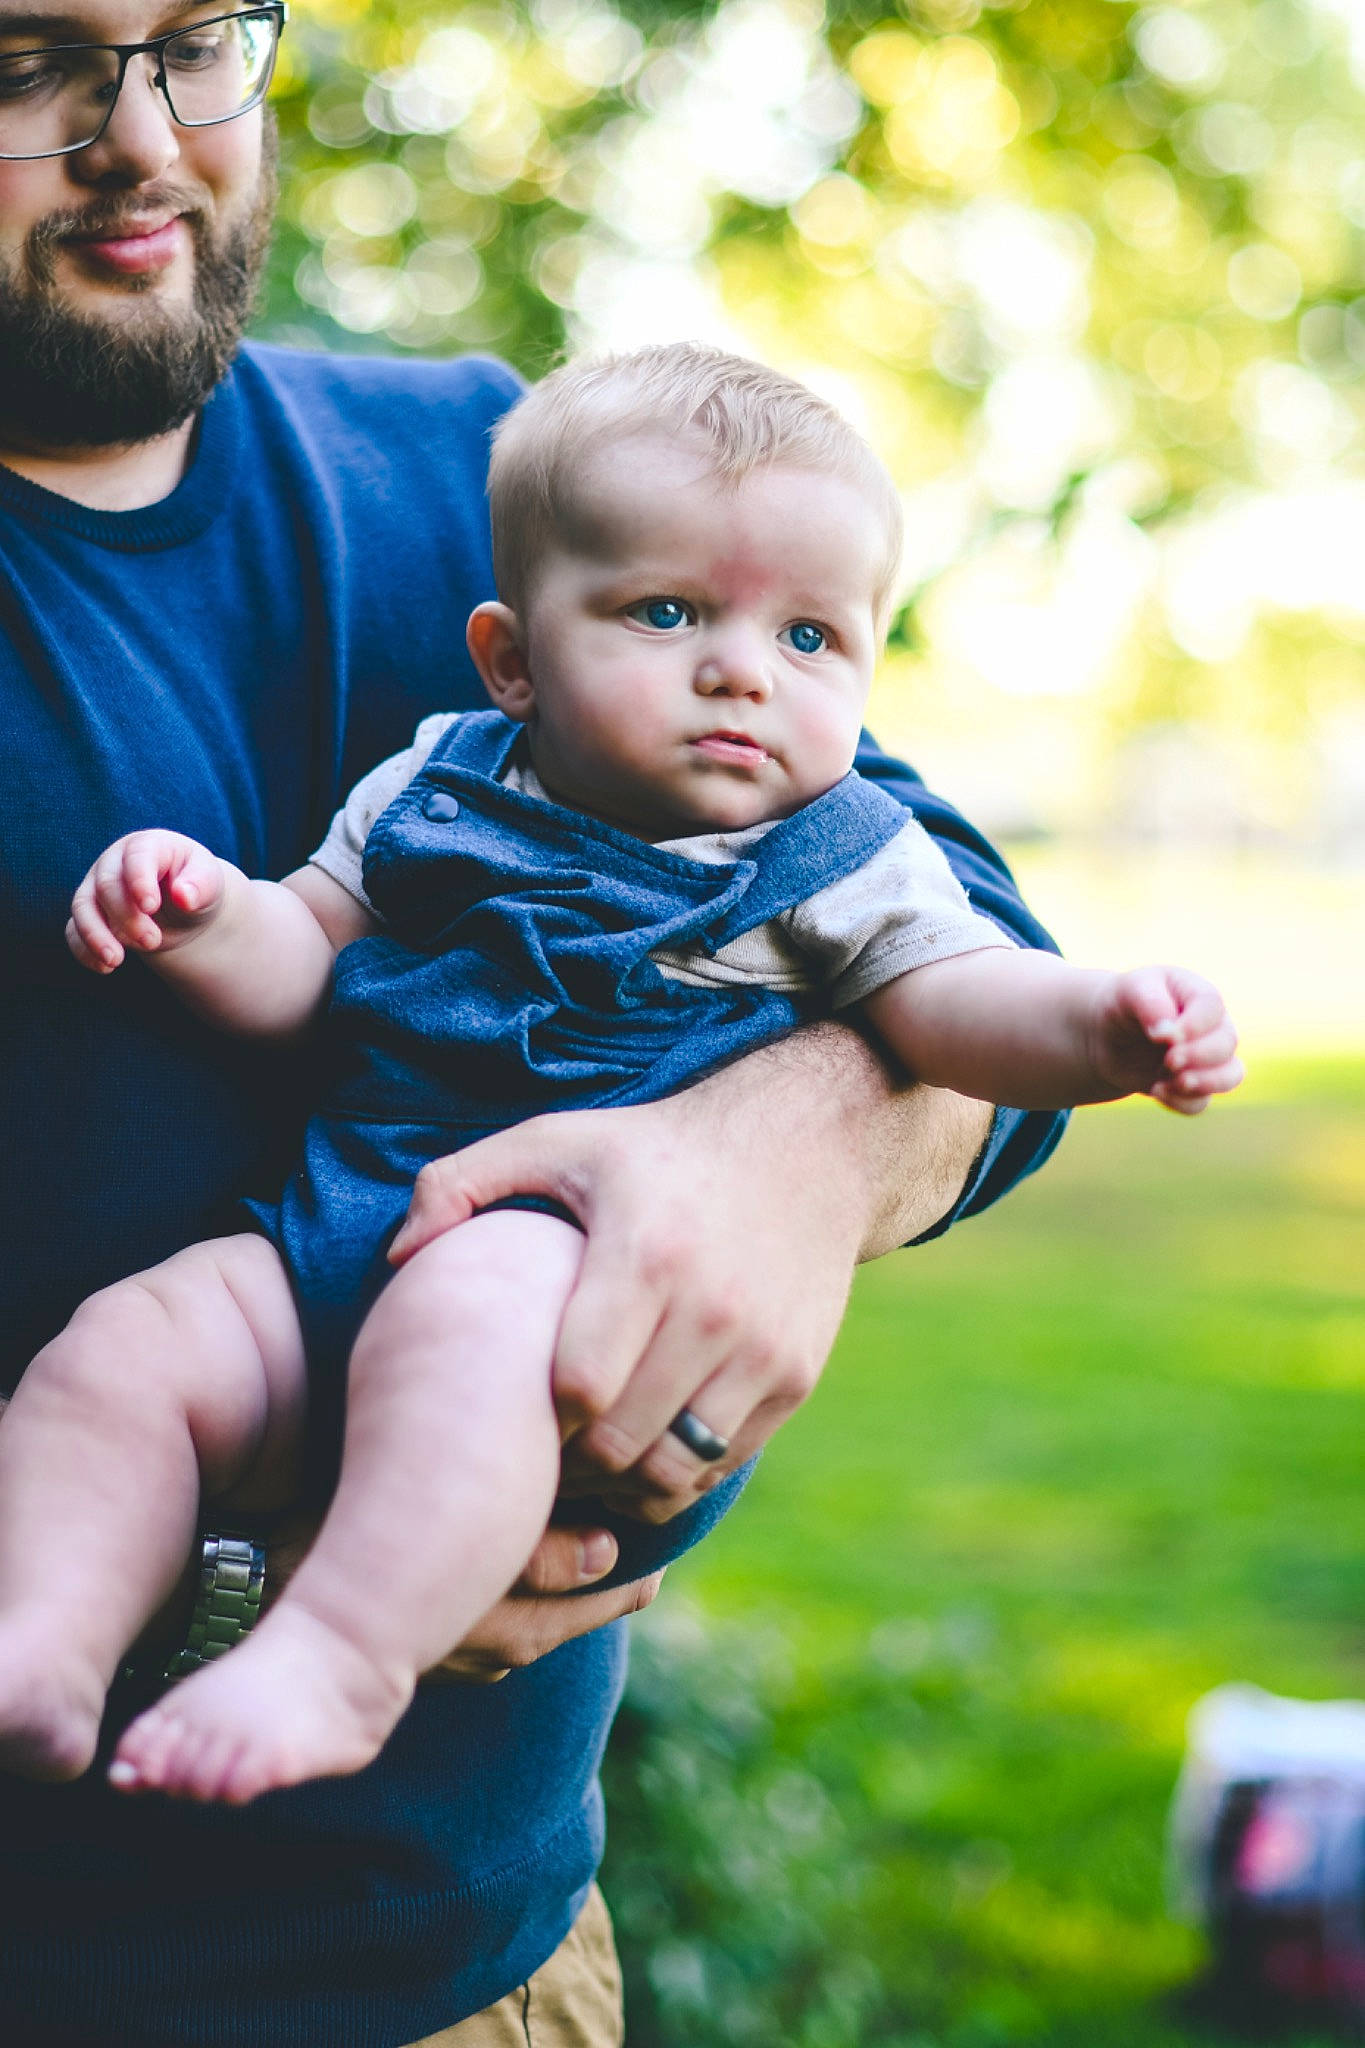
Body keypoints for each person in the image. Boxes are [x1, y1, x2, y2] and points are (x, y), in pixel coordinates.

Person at [0, 3, 1068, 2041]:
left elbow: (961, 972)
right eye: (23, 62)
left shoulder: (514, 482)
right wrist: (263, 1566)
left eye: (195, 39)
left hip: (475, 1976)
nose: (141, 137)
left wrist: (779, 1149)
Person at [1, 344, 1242, 1815]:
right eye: (666, 615)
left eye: (810, 639)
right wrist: (203, 913)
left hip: (566, 1281)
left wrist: (1102, 1024)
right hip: (336, 1226)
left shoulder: (829, 855)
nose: (739, 669)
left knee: (468, 1314)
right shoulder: (441, 785)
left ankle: (336, 1656)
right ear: (513, 660)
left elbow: (955, 1002)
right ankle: (45, 1646)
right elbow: (305, 960)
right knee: (125, 1349)